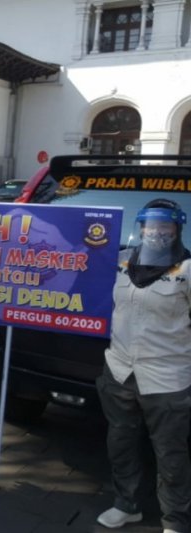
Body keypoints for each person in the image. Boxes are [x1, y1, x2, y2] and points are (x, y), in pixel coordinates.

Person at [96, 198, 191, 533]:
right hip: (119, 370)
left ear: (177, 229)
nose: (157, 233)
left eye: (165, 227)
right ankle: (127, 505)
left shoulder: (187, 270)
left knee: (170, 453)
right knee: (120, 443)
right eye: (150, 226)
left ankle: (175, 521)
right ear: (141, 228)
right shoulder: (121, 262)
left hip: (167, 378)